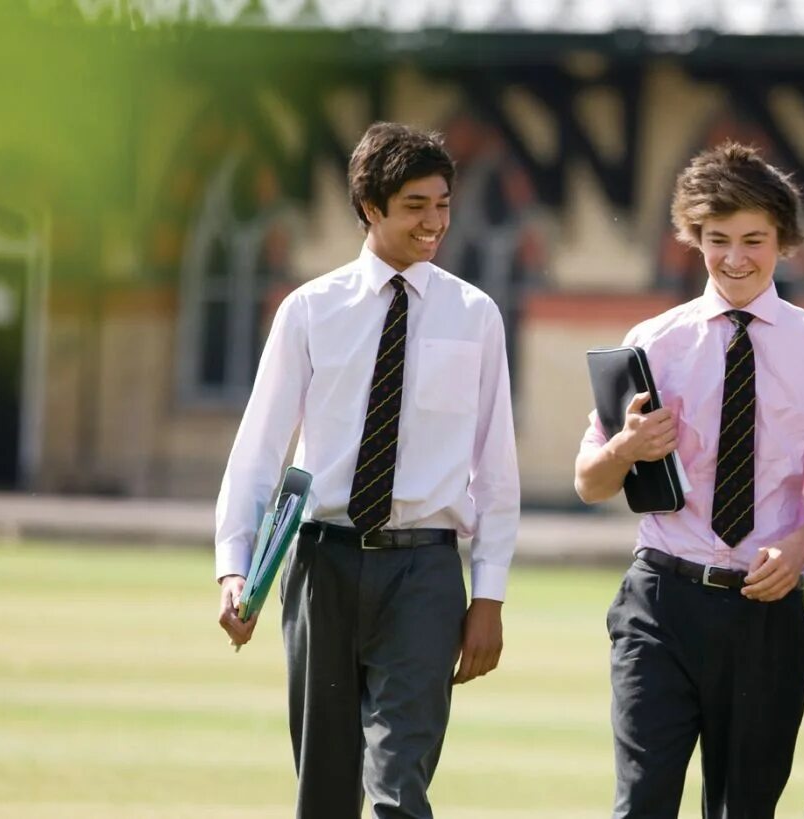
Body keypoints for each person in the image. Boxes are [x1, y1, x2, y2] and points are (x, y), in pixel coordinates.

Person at [213, 122, 519, 819]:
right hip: (321, 566)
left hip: (426, 575)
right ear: (370, 208)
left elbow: (495, 469)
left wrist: (490, 596)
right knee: (324, 793)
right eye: (415, 205)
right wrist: (236, 567)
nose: (435, 221)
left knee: (399, 789)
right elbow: (259, 449)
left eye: (443, 203)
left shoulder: (476, 317)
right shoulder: (309, 312)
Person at [572, 142, 804, 819]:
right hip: (661, 604)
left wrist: (802, 549)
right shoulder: (653, 341)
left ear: (784, 242)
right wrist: (627, 446)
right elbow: (588, 479)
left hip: (767, 613)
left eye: (754, 240)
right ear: (691, 239)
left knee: (744, 811)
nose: (735, 258)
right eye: (717, 240)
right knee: (641, 805)